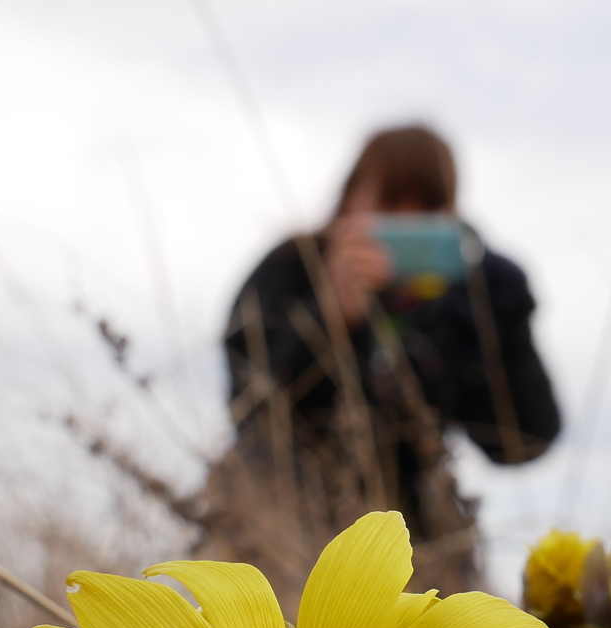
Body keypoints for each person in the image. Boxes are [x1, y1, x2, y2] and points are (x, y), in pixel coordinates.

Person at [204, 124, 561, 597]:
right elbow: (250, 408)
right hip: (275, 525)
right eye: (391, 206)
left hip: (412, 543)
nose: (408, 224)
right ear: (350, 200)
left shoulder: (466, 300)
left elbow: (523, 442)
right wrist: (331, 321)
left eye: (429, 209)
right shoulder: (290, 271)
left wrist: (507, 322)